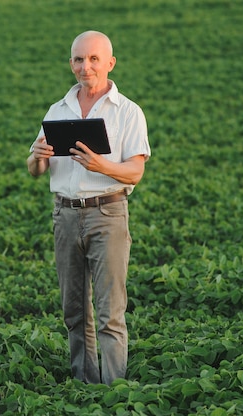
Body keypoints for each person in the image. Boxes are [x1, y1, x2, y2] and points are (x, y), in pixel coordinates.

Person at [26, 30, 151, 385]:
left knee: (111, 312)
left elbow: (136, 170)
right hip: (64, 215)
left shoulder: (127, 112)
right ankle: (85, 385)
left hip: (107, 213)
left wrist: (102, 166)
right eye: (79, 59)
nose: (86, 66)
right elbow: (37, 170)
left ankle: (114, 390)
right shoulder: (57, 110)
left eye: (94, 59)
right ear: (71, 64)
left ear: (110, 63)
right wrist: (35, 159)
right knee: (75, 311)